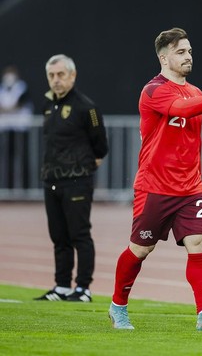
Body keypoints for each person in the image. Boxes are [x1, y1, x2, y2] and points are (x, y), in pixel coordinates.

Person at [108, 27, 202, 331]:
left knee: (199, 244)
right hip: (155, 187)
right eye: (180, 52)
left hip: (191, 188)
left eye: (189, 51)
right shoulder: (154, 90)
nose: (188, 57)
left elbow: (194, 111)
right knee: (140, 250)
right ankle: (118, 306)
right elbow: (183, 109)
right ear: (163, 57)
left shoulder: (196, 90)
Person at [34, 54, 109, 302]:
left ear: (72, 76)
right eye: (51, 76)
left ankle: (83, 288)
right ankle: (62, 286)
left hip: (77, 180)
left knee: (79, 234)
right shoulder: (48, 104)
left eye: (60, 75)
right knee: (59, 236)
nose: (56, 80)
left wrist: (87, 163)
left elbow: (101, 144)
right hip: (51, 179)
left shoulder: (87, 107)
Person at [0, 65, 33, 188]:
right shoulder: (2, 89)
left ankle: (26, 187)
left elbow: (19, 104)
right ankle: (9, 187)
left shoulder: (22, 88)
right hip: (6, 129)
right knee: (7, 159)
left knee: (23, 157)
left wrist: (7, 109)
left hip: (21, 128)